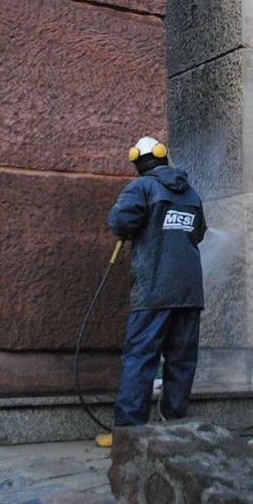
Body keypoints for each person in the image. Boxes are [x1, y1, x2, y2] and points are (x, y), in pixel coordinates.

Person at [98, 136, 207, 446]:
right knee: (182, 361)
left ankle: (128, 433)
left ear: (137, 161)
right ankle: (174, 425)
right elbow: (198, 233)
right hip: (189, 292)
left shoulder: (142, 187)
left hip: (154, 291)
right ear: (164, 157)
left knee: (141, 358)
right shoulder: (191, 192)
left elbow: (120, 221)